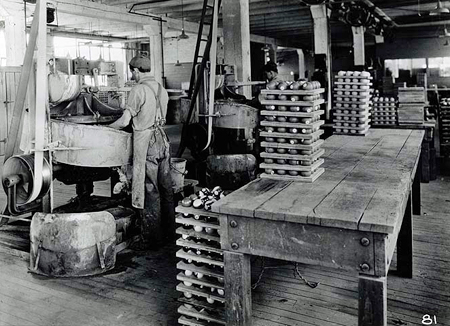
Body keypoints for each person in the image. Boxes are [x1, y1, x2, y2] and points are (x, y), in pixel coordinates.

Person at [109, 54, 174, 250]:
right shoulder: (161, 89)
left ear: (136, 71)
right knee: (166, 189)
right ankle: (171, 232)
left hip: (147, 143)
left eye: (132, 72)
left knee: (150, 189)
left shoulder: (138, 90)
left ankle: (152, 239)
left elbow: (124, 121)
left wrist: (108, 128)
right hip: (163, 140)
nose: (133, 75)